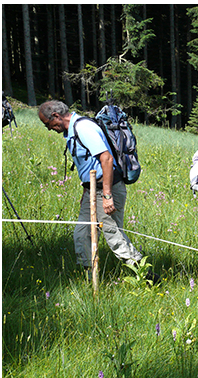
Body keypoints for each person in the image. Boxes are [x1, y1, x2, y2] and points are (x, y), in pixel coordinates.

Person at [38, 100, 158, 282]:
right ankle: (89, 276)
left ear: (56, 116)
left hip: (107, 189)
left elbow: (107, 159)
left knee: (112, 234)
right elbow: (87, 166)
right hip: (91, 190)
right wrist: (86, 193)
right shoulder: (72, 132)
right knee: (81, 233)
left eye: (48, 124)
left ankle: (146, 276)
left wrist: (108, 195)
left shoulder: (84, 128)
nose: (49, 129)